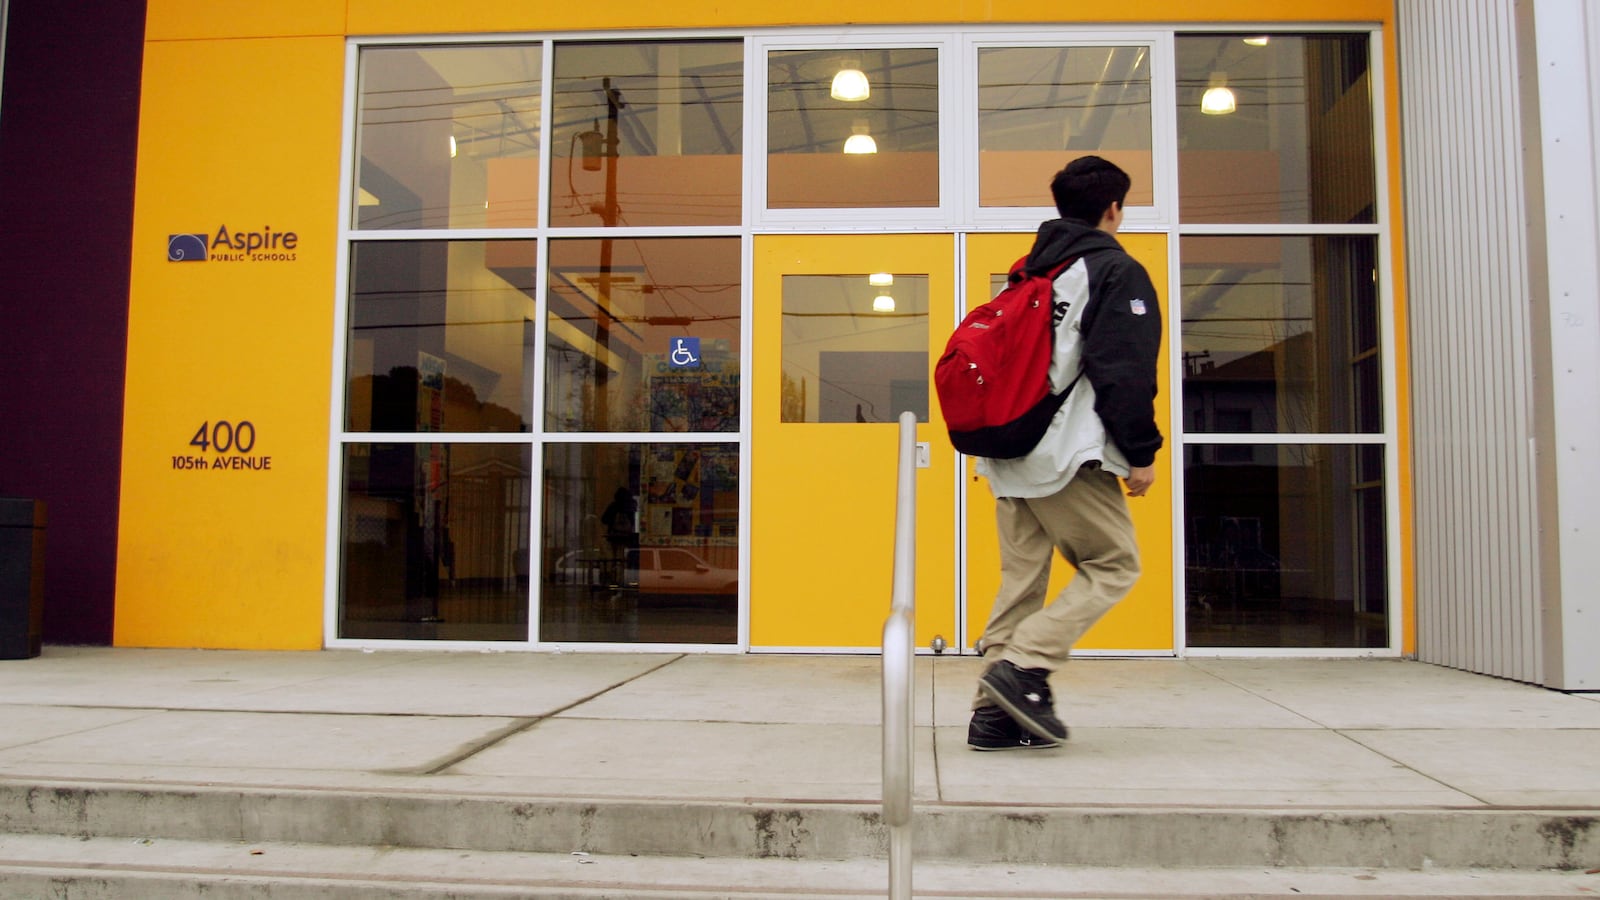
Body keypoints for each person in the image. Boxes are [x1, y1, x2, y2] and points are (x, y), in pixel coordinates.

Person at [968, 155, 1164, 751]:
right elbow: (1122, 370)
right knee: (1114, 564)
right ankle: (1022, 666)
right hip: (1065, 454)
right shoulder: (1112, 270)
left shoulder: (1030, 271)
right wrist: (1141, 451)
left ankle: (993, 717)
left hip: (1009, 451)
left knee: (1021, 583)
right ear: (1113, 209)